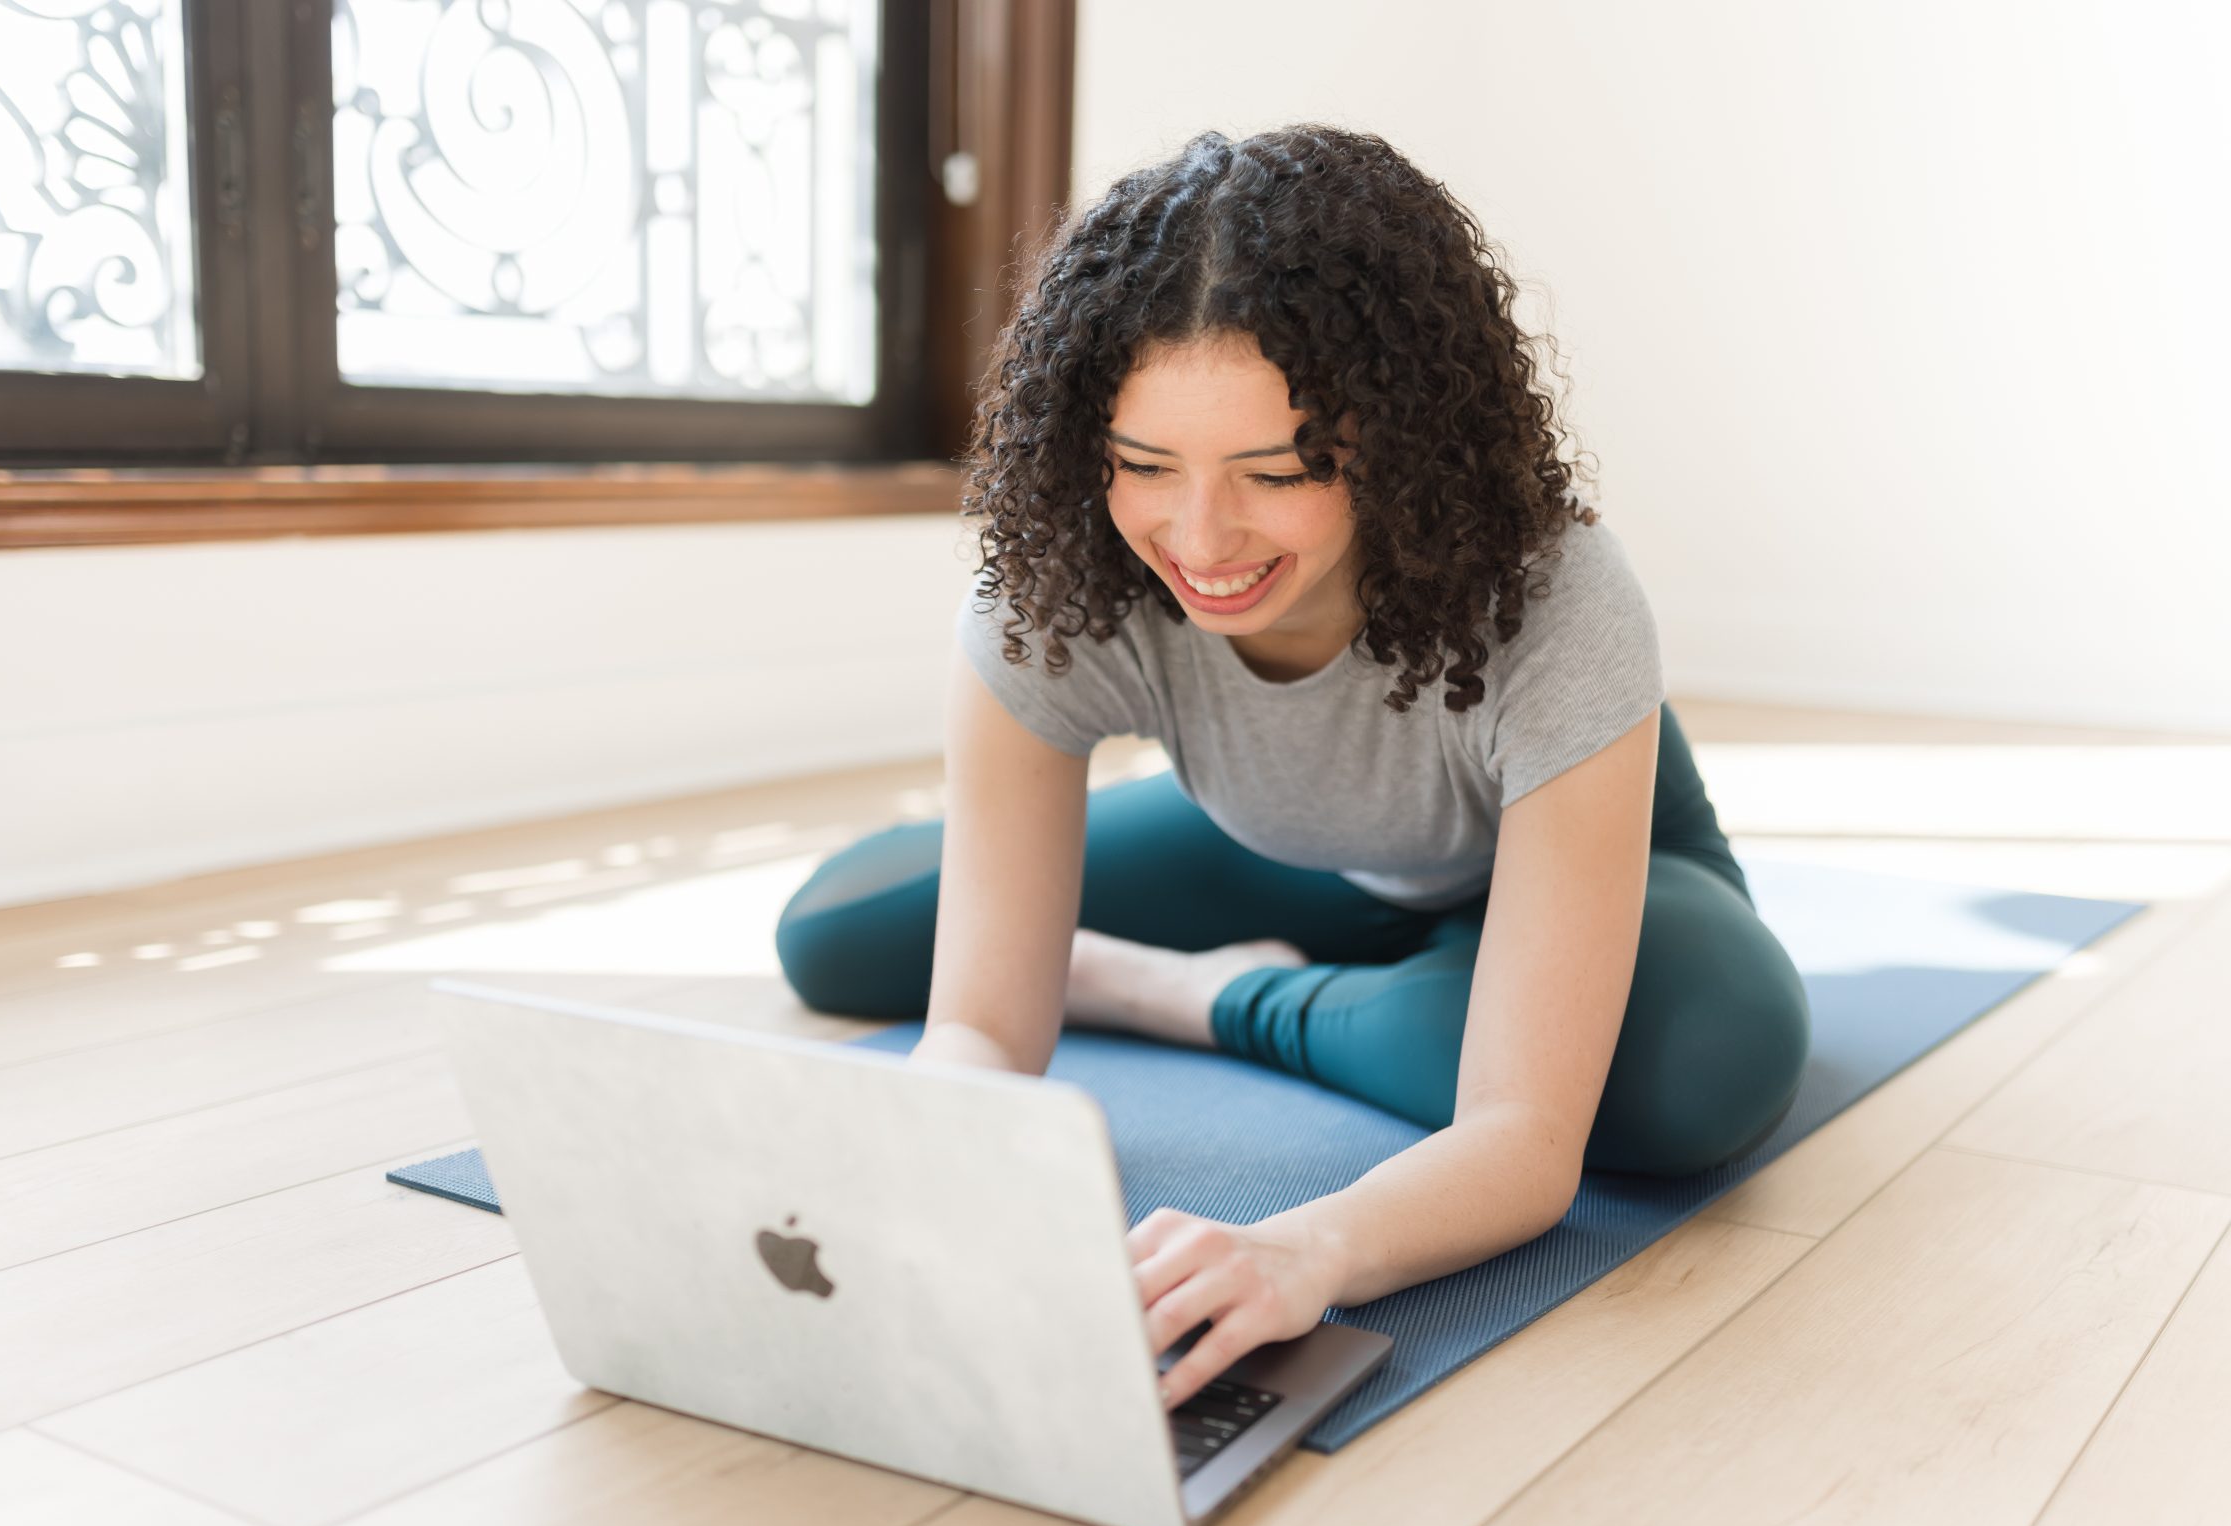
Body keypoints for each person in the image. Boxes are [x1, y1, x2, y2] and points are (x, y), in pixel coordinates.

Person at [774, 125, 1810, 1410]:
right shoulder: (1057, 595)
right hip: (1294, 839)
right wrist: (936, 1148)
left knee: (1697, 1066)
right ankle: (1305, 981)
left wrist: (1303, 1246)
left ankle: (1206, 999)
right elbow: (978, 1026)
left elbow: (1524, 1141)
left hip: (1573, 864)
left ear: (1398, 443)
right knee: (834, 936)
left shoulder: (1556, 596)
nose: (1198, 538)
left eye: (1274, 475)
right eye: (1143, 467)